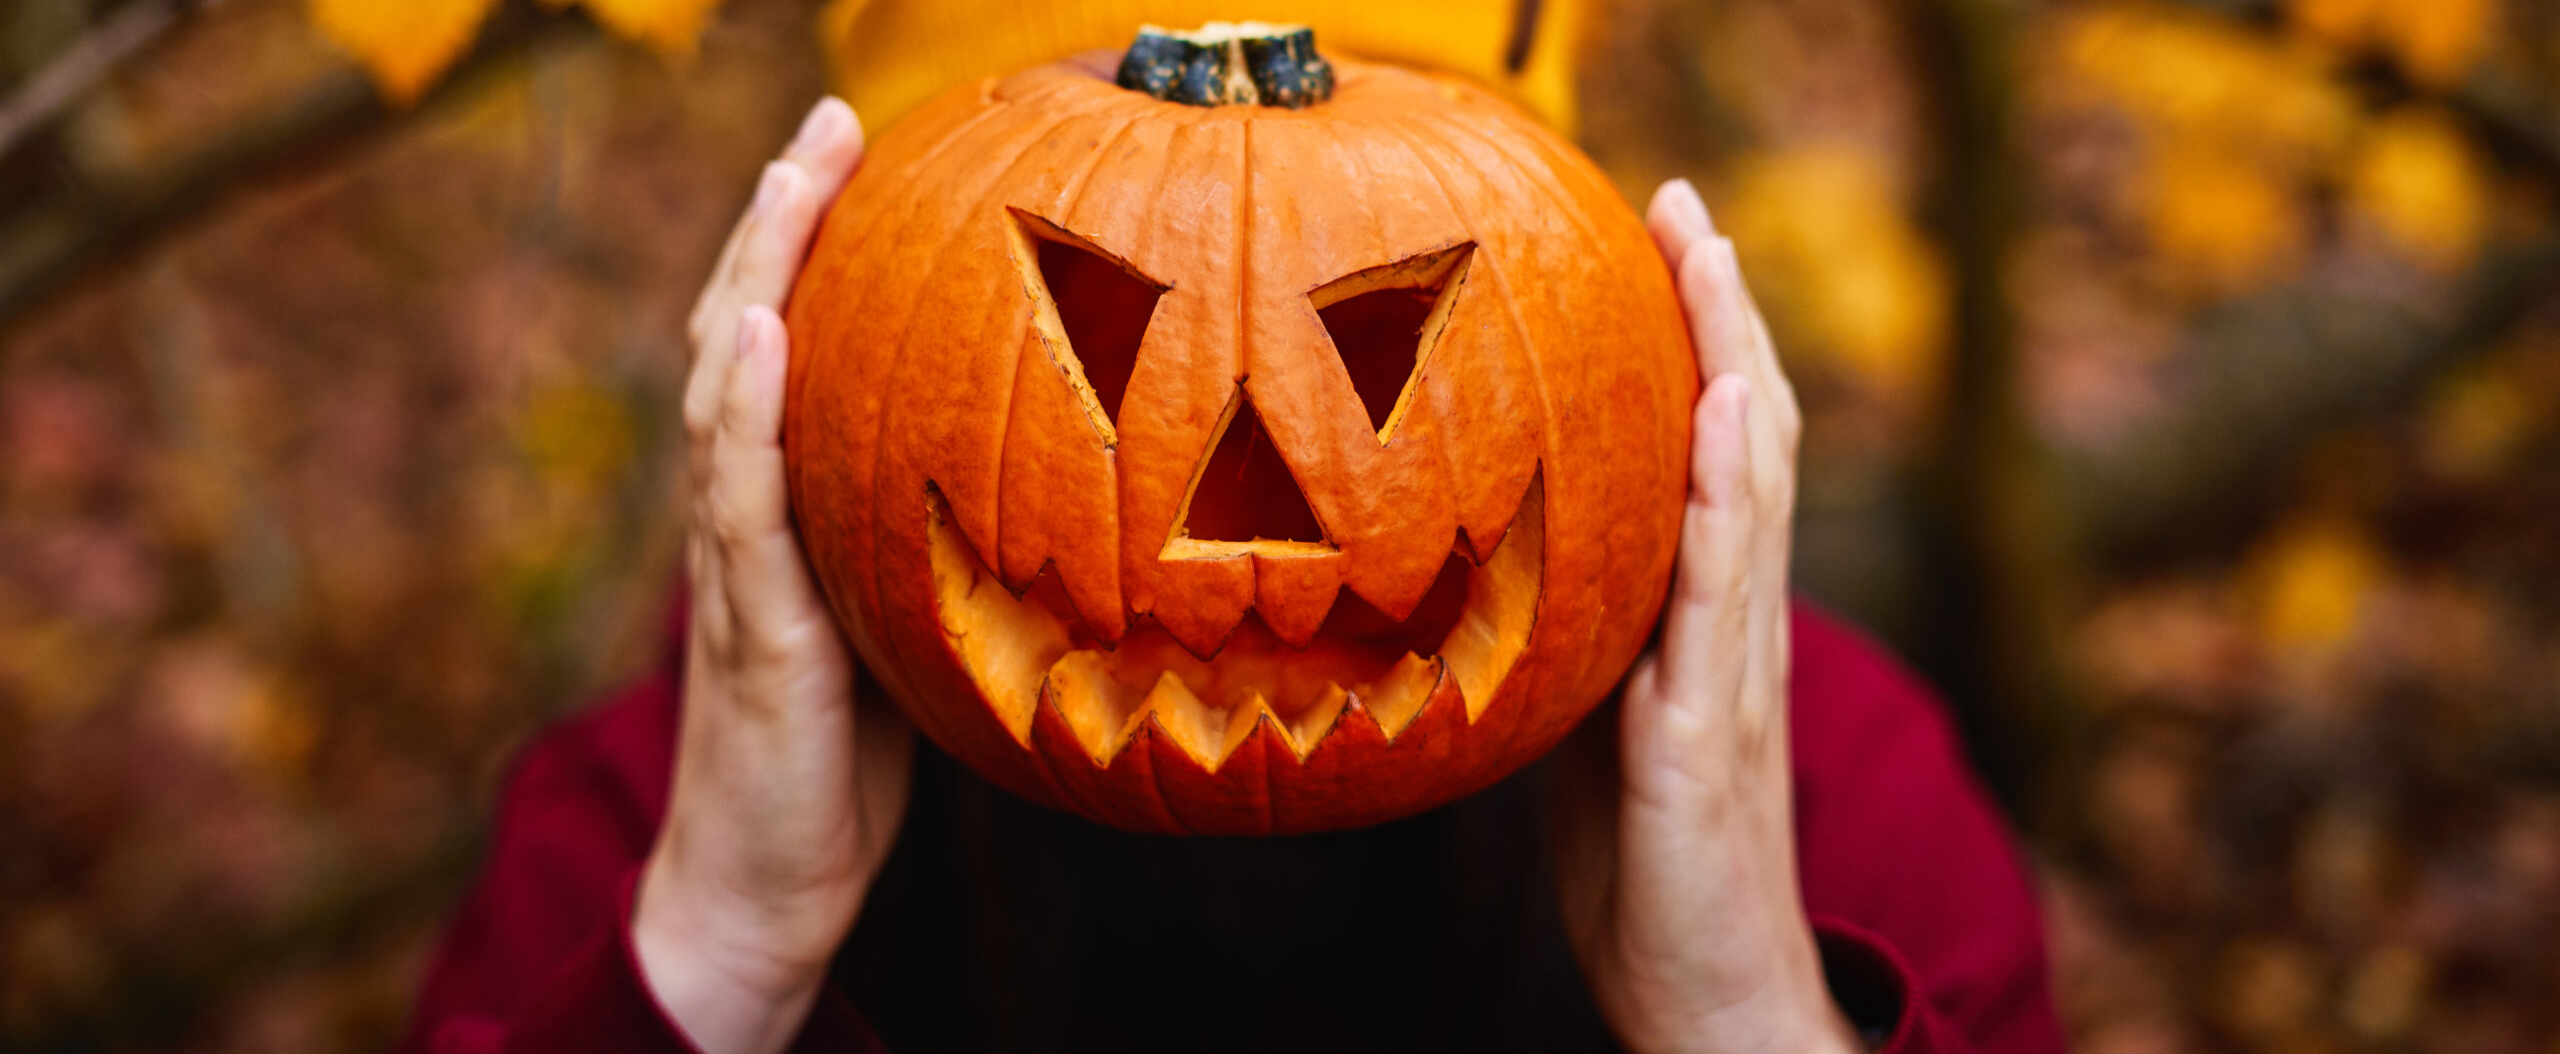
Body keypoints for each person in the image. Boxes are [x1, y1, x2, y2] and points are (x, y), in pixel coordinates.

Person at [400, 95, 2064, 1054]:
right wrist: (715, 957)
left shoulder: (1845, 805)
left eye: (1389, 330)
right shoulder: (634, 827)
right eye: (1095, 328)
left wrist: (1756, 1022)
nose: (1235, 522)